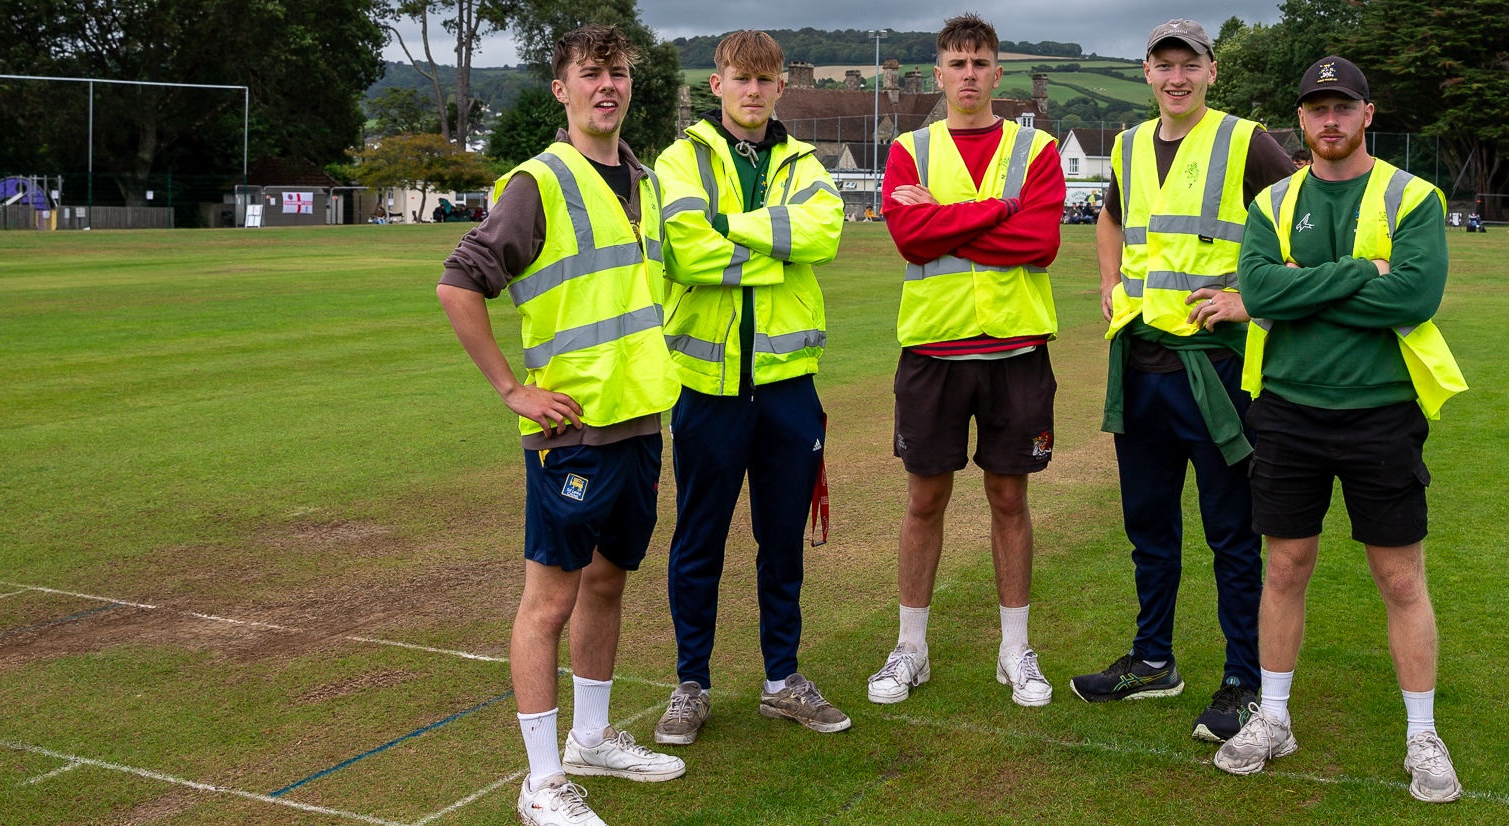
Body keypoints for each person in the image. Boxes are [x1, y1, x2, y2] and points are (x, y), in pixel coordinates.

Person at [1188, 55, 1468, 803]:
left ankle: (1422, 735)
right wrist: (1358, 273)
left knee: (1400, 575)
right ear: (1301, 120)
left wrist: (1290, 292)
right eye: (1316, 109)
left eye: (1343, 107)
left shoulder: (1413, 197)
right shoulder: (1275, 201)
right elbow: (1258, 287)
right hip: (1286, 409)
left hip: (1381, 412)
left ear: (1367, 115)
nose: (1329, 120)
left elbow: (1413, 299)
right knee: (1285, 567)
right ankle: (1273, 718)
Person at [436, 25, 686, 826]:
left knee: (608, 584)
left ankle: (593, 739)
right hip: (571, 432)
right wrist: (511, 388)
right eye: (591, 74)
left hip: (639, 421)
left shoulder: (640, 181)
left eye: (617, 73)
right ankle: (542, 783)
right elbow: (458, 284)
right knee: (548, 603)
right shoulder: (538, 182)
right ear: (562, 90)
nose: (606, 86)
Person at [1079, 18, 1297, 744]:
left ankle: (1244, 679)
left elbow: (1311, 214)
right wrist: (1109, 280)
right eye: (1163, 65)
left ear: (1211, 71)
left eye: (1189, 65)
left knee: (1232, 532)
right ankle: (1153, 660)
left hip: (1217, 371)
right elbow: (1110, 218)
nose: (1176, 78)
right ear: (1146, 71)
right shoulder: (1129, 144)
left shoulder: (1245, 140)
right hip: (1139, 368)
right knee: (1149, 528)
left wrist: (1253, 296)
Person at [647, 30, 848, 746]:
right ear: (717, 83)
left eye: (766, 80)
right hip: (707, 386)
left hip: (790, 386)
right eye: (741, 78)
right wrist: (774, 249)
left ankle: (781, 679)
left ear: (782, 85)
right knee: (698, 538)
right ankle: (690, 683)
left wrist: (730, 227)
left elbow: (824, 233)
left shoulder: (804, 162)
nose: (754, 91)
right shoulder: (680, 159)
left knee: (781, 540)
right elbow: (684, 250)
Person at [869, 13, 1066, 709]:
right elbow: (910, 242)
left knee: (1010, 498)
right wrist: (998, 212)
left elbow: (1039, 243)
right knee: (925, 500)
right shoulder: (910, 149)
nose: (970, 75)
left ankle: (1016, 651)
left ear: (998, 71)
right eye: (957, 63)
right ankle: (910, 649)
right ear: (940, 71)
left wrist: (951, 218)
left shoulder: (1035, 148)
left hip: (1016, 349)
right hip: (934, 349)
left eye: (981, 62)